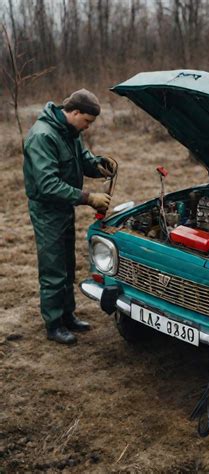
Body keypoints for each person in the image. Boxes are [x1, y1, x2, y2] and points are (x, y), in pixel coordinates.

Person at [23, 89, 117, 345]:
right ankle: (54, 324)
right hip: (47, 210)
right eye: (86, 121)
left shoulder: (69, 133)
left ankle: (67, 315)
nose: (87, 127)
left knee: (66, 263)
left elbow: (82, 159)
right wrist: (88, 197)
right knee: (53, 266)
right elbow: (46, 184)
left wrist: (99, 165)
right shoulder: (43, 136)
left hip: (64, 208)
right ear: (74, 112)